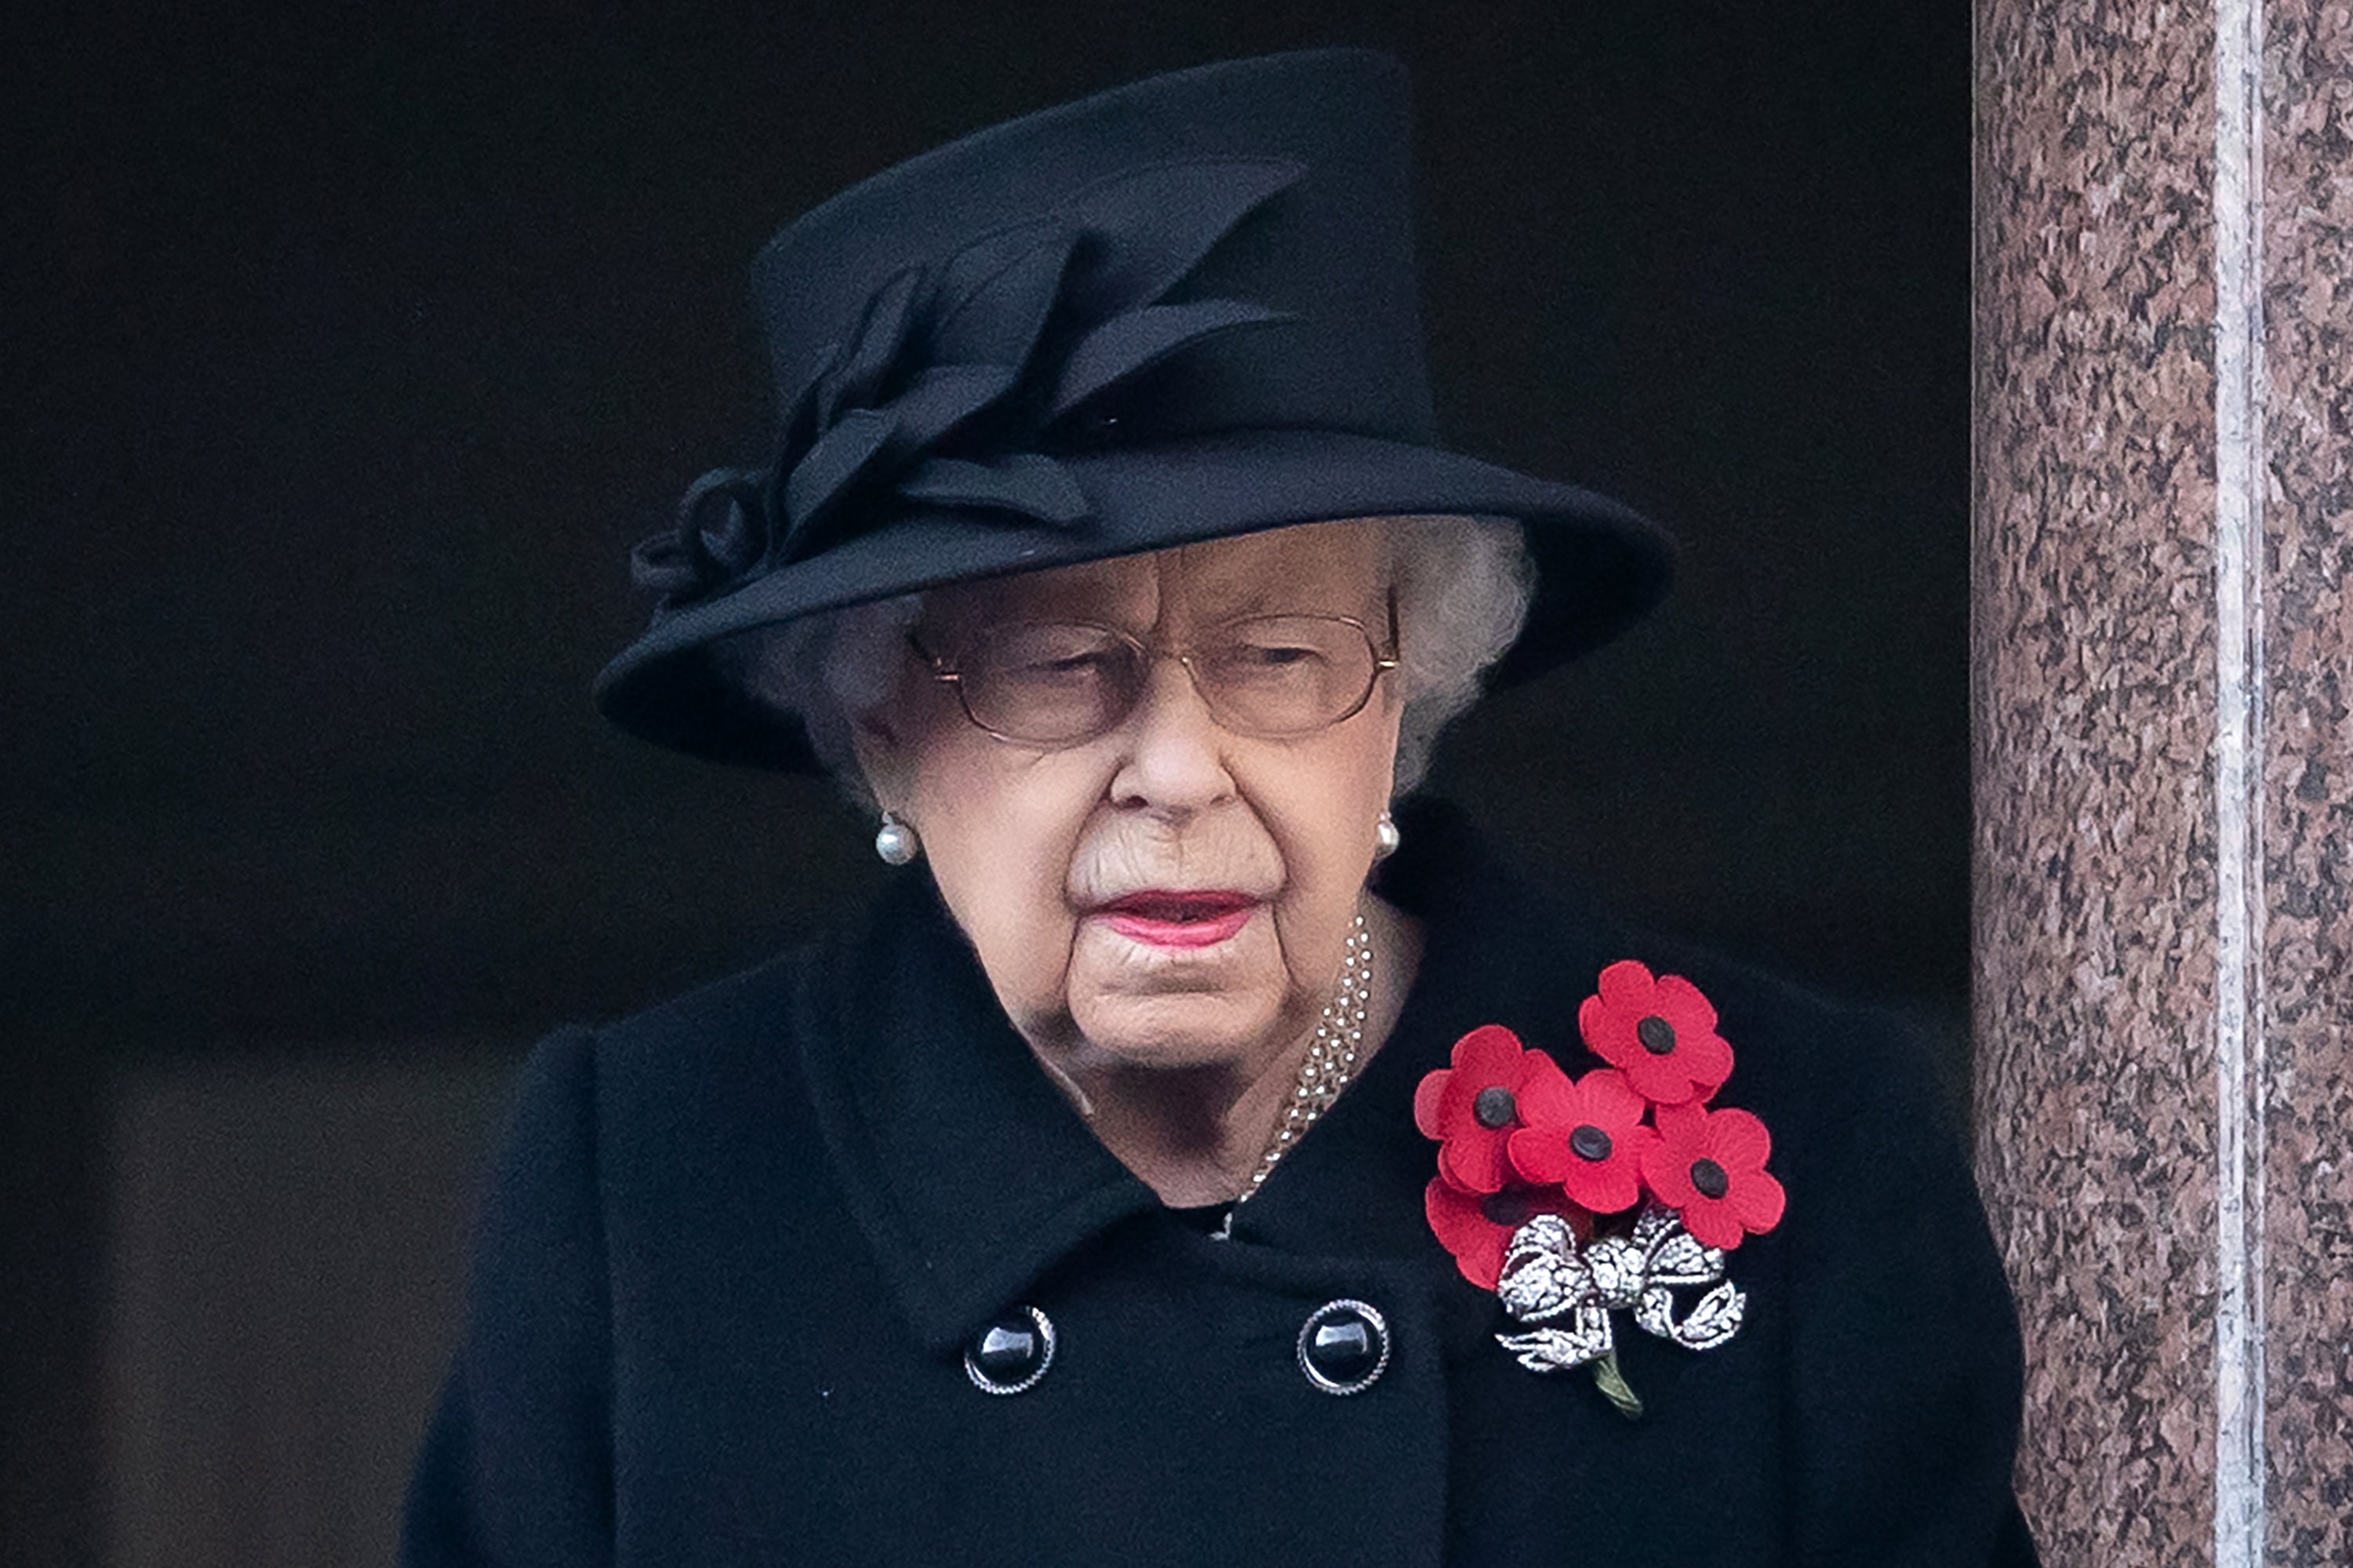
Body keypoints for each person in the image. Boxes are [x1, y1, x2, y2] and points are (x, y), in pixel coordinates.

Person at [403, 49, 2037, 1566]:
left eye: (1278, 652)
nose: (1180, 768)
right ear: (879, 722)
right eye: (1058, 666)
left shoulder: (1803, 1148)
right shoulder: (653, 1191)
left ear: (1407, 690)